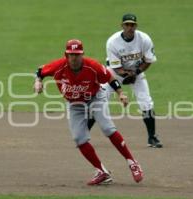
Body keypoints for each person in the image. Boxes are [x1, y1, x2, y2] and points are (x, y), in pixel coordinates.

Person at [33, 39, 143, 185]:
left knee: (107, 128)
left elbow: (110, 78)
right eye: (71, 54)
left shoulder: (92, 66)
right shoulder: (59, 66)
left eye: (77, 54)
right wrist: (38, 81)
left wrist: (121, 93)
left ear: (82, 54)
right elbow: (40, 70)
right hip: (74, 104)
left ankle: (133, 163)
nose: (74, 57)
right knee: (79, 139)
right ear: (66, 54)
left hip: (95, 98)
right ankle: (102, 172)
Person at [101, 13, 163, 148]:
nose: (130, 27)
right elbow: (116, 67)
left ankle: (152, 137)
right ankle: (84, 136)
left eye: (132, 24)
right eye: (127, 24)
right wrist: (126, 74)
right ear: (122, 26)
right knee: (99, 100)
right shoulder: (113, 41)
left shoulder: (144, 39)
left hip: (136, 72)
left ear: (136, 26)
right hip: (114, 73)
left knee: (146, 102)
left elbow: (148, 60)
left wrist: (136, 72)